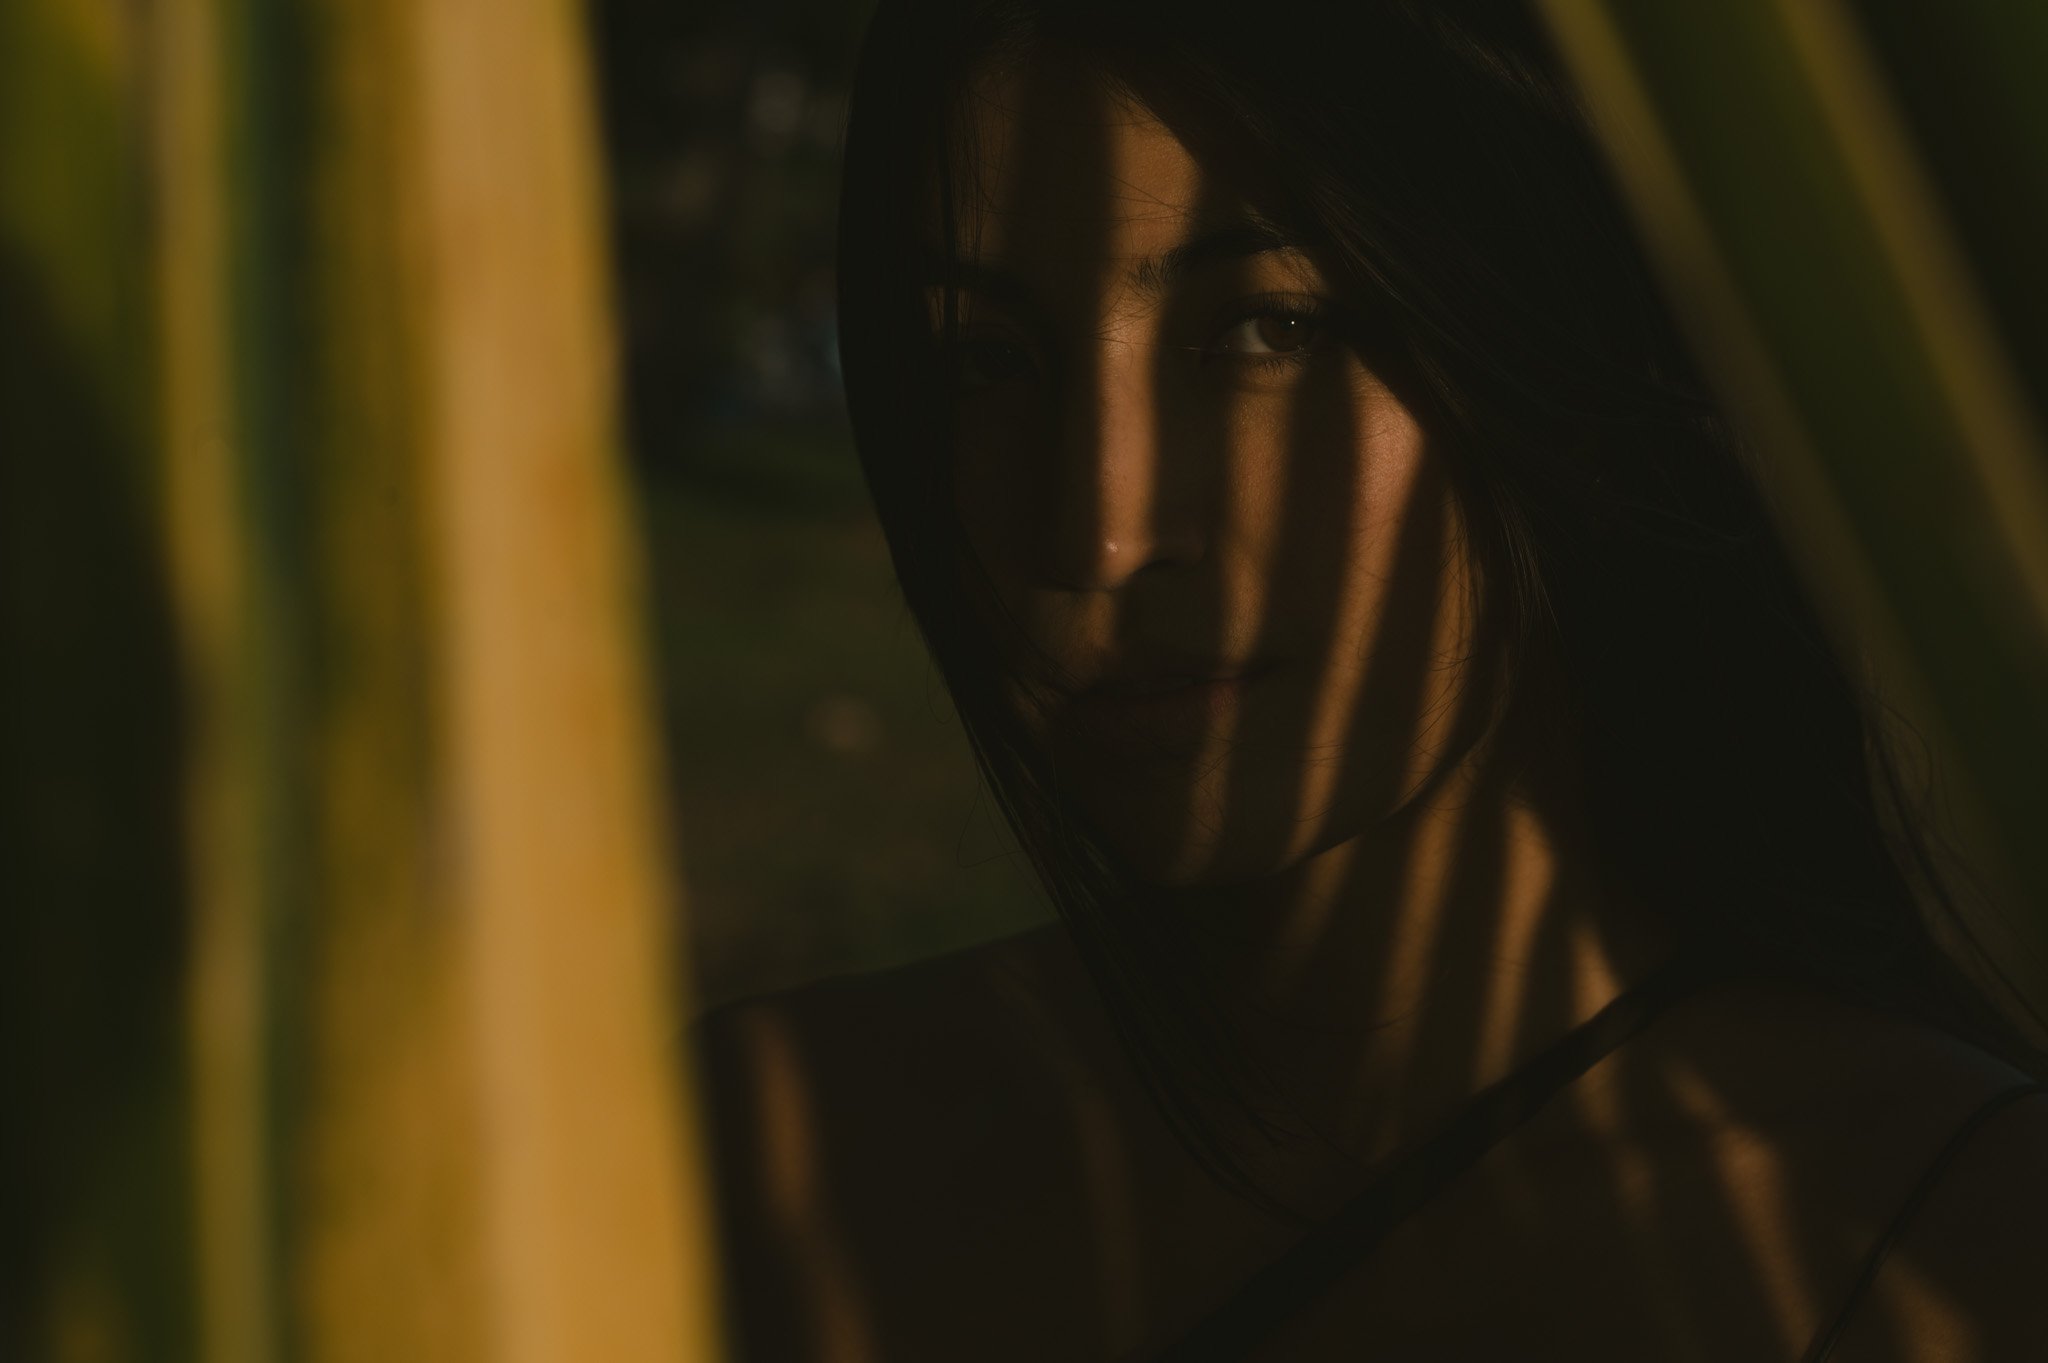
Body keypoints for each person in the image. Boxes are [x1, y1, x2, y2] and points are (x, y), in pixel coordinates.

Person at [697, 3, 2048, 1358]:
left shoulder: (1944, 1256)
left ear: (1551, 340)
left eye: (1269, 328)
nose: (1095, 533)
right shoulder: (748, 1160)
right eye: (985, 358)